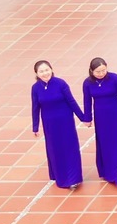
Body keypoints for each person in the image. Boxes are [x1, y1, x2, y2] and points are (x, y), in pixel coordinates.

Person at [30, 60, 86, 190]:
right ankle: (60, 177)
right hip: (49, 124)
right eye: (41, 71)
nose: (45, 73)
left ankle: (73, 178)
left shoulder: (60, 83)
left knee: (69, 147)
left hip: (65, 121)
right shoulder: (35, 88)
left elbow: (71, 101)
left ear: (51, 70)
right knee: (55, 149)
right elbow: (35, 107)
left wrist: (83, 117)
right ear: (37, 74)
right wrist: (35, 126)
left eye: (47, 70)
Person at [82, 57, 117, 187]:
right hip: (101, 116)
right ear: (91, 71)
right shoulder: (87, 83)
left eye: (103, 70)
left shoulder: (116, 79)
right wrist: (87, 118)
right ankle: (108, 172)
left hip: (116, 114)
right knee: (105, 143)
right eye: (98, 72)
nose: (101, 73)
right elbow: (87, 101)